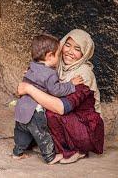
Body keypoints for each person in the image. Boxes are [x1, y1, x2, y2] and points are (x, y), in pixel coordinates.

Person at [17, 29, 104, 164]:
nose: (70, 51)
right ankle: (52, 145)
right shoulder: (56, 66)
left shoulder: (83, 75)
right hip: (70, 119)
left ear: (84, 53)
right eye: (67, 45)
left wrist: (29, 88)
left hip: (85, 128)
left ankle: (75, 150)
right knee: (32, 108)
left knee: (49, 112)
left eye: (77, 49)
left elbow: (62, 107)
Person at [13, 34, 83, 164]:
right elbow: (56, 90)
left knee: (21, 131)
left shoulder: (31, 67)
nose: (60, 57)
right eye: (58, 55)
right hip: (34, 111)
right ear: (50, 56)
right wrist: (71, 85)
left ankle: (17, 153)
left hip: (21, 107)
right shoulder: (50, 73)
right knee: (42, 134)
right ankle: (50, 157)